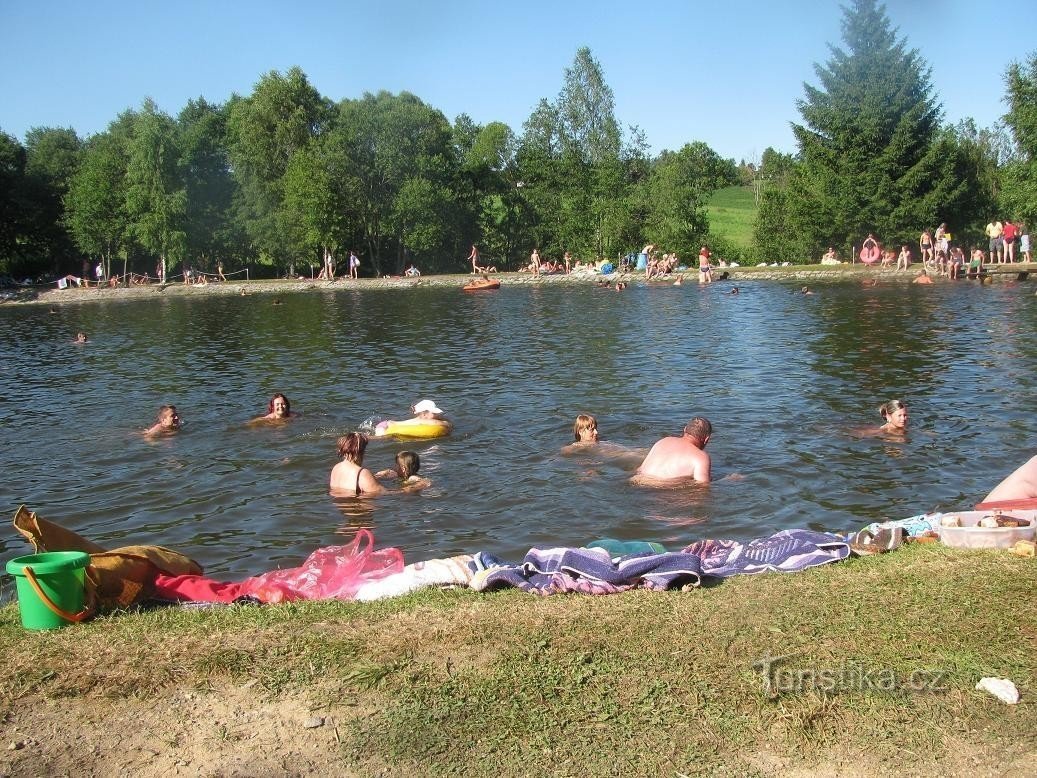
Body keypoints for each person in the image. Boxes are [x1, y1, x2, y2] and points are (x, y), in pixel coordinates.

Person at [633, 417, 712, 484]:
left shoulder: (663, 440)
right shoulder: (701, 457)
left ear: (684, 429)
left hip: (636, 480)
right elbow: (702, 487)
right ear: (706, 439)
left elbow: (640, 469)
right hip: (655, 490)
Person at [329, 432, 384, 497]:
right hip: (356, 505)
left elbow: (349, 481)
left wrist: (375, 477)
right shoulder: (362, 473)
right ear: (360, 451)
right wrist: (399, 490)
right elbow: (383, 493)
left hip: (340, 506)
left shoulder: (336, 468)